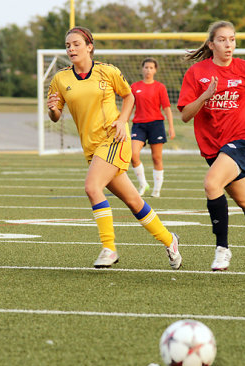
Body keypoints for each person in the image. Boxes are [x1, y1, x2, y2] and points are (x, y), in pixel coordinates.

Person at [47, 26, 182, 269]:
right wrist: (52, 108)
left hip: (114, 140)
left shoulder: (107, 72)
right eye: (68, 45)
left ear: (89, 46)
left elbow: (129, 96)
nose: (71, 49)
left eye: (76, 44)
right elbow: (56, 116)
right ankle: (169, 239)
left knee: (91, 187)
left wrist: (122, 120)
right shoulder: (60, 78)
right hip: (92, 148)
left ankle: (109, 248)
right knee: (133, 201)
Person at [177, 20, 245, 271]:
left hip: (242, 139)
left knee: (211, 183)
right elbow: (185, 115)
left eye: (232, 39)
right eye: (223, 40)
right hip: (212, 146)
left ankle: (222, 249)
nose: (229, 44)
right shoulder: (197, 73)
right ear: (211, 44)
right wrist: (205, 96)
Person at [131, 58, 176, 197]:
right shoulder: (134, 86)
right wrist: (121, 123)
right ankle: (143, 184)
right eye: (146, 67)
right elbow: (129, 107)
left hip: (156, 124)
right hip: (139, 125)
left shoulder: (160, 87)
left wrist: (171, 126)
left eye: (151, 68)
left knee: (156, 158)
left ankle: (157, 189)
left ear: (155, 70)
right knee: (133, 155)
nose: (148, 70)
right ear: (142, 69)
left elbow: (167, 108)